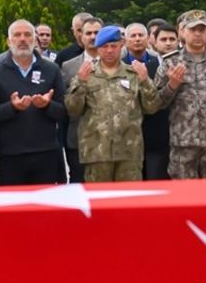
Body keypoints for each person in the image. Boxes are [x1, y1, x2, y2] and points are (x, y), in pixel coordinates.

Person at [65, 25, 163, 182]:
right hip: (97, 152)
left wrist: (145, 81)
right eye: (104, 46)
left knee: (128, 200)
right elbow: (72, 110)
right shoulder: (86, 75)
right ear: (97, 48)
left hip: (129, 151)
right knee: (100, 201)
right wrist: (81, 83)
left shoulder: (134, 74)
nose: (109, 51)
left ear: (121, 46)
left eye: (113, 46)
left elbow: (152, 107)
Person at [154, 11, 206, 179]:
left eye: (202, 29)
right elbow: (156, 103)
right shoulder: (171, 62)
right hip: (183, 143)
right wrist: (172, 86)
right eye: (193, 29)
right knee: (184, 199)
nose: (198, 34)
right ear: (182, 32)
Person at [0, 20, 66, 185]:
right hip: (10, 155)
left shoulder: (51, 69)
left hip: (46, 153)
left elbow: (63, 111)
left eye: (27, 35)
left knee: (46, 207)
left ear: (35, 41)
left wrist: (46, 106)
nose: (22, 39)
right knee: (14, 208)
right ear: (8, 41)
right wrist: (12, 107)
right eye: (17, 35)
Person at [60, 17, 103, 184]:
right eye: (88, 33)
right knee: (79, 184)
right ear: (81, 37)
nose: (92, 37)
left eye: (97, 33)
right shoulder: (68, 66)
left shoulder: (116, 63)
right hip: (79, 138)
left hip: (109, 139)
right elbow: (65, 101)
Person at [124, 23, 169, 181]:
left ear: (148, 39)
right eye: (133, 36)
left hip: (156, 135)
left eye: (140, 35)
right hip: (128, 137)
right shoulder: (118, 65)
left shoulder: (160, 65)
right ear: (125, 40)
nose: (137, 39)